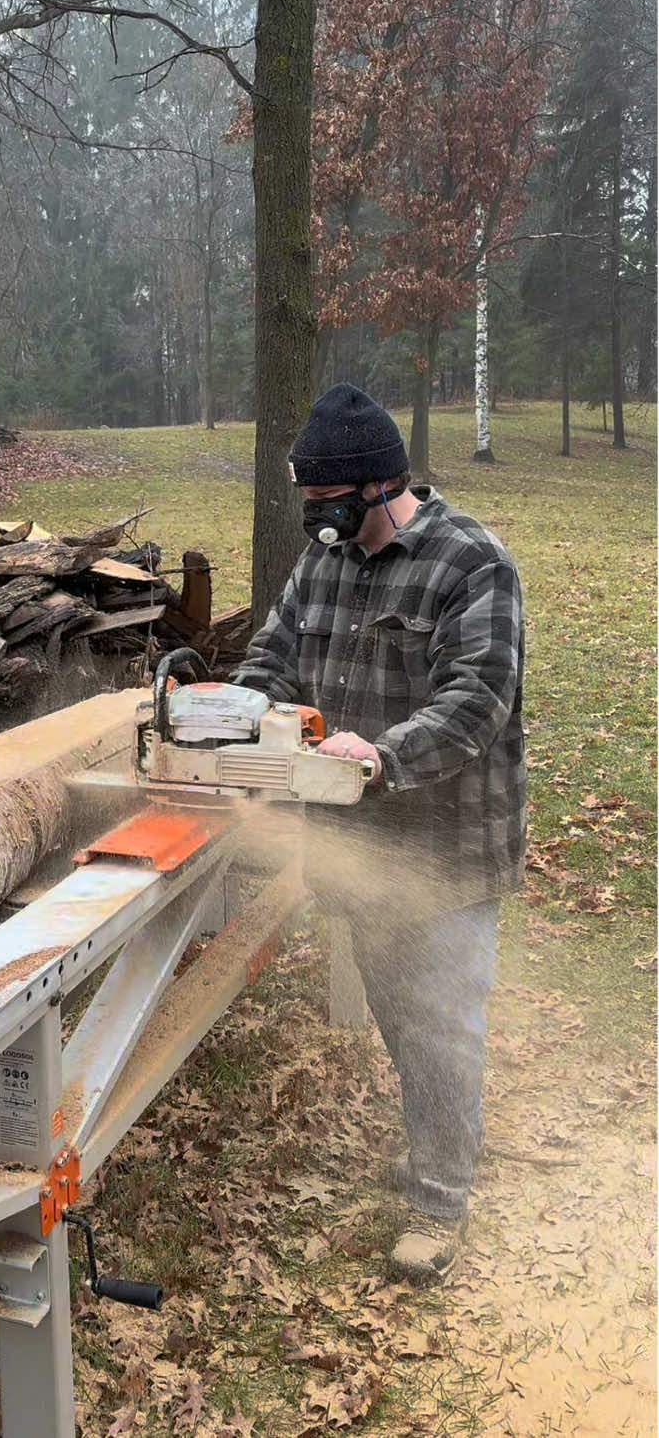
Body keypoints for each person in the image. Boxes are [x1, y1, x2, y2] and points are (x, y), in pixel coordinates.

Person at [233, 382, 526, 1282]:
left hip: (443, 842)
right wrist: (235, 711)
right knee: (397, 1006)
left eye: (325, 501)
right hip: (361, 845)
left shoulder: (469, 562)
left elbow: (476, 698)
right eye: (307, 501)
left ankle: (440, 1201)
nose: (312, 517)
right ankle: (436, 1145)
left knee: (440, 1019)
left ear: (373, 486)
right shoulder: (321, 562)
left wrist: (382, 754)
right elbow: (270, 655)